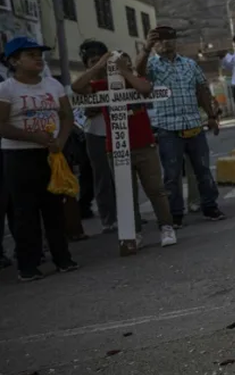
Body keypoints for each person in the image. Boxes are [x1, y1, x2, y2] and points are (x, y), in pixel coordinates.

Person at [71, 49, 177, 248]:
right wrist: (99, 66)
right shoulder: (103, 86)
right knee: (126, 192)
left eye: (124, 62)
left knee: (155, 189)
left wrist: (125, 71)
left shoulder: (136, 81)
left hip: (144, 145)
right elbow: (77, 87)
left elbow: (146, 89)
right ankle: (133, 232)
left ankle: (166, 227)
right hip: (117, 147)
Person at [0, 37, 77, 281]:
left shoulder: (52, 85)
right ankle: (28, 266)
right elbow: (2, 126)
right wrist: (34, 137)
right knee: (25, 212)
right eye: (30, 55)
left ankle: (63, 258)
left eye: (39, 54)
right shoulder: (7, 89)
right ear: (14, 61)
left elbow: (67, 116)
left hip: (52, 153)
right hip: (18, 156)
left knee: (54, 208)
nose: (38, 59)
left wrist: (60, 142)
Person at [136, 26, 227, 225]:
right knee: (172, 174)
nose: (165, 43)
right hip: (168, 128)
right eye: (160, 40)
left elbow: (201, 90)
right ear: (155, 44)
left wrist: (211, 116)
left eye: (169, 39)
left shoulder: (190, 64)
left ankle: (210, 207)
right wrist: (146, 48)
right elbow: (138, 73)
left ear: (176, 41)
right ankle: (175, 214)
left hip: (194, 124)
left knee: (202, 169)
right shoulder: (152, 65)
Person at [77, 39, 117, 232]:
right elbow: (83, 103)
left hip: (118, 131)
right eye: (92, 62)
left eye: (99, 60)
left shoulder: (116, 78)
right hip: (95, 134)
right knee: (102, 178)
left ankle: (129, 214)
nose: (97, 65)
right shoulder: (84, 82)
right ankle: (108, 219)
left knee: (123, 175)